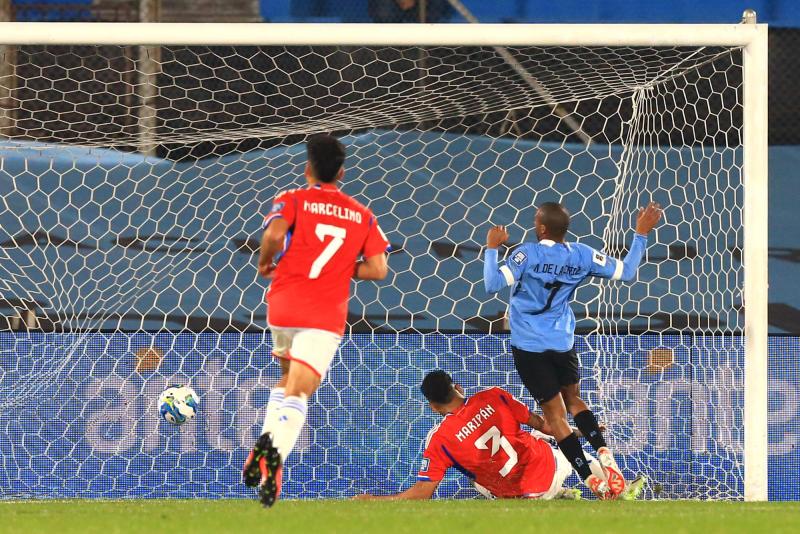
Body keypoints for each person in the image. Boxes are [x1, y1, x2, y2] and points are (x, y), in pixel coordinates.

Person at [243, 134, 390, 507]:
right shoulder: (361, 214)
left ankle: (264, 447)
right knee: (300, 392)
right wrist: (345, 267)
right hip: (324, 313)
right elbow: (378, 269)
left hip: (283, 305)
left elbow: (274, 234)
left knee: (285, 379)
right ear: (341, 172)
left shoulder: (291, 199)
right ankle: (274, 462)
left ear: (307, 168)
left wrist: (264, 262)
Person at [483, 201, 662, 499]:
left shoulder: (525, 253)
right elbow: (627, 272)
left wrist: (491, 247)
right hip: (562, 342)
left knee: (556, 417)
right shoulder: (581, 254)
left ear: (541, 228)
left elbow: (492, 283)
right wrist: (641, 233)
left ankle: (592, 481)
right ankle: (605, 454)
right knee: (574, 399)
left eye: (535, 218)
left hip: (529, 347)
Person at [356, 370, 646, 500]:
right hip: (548, 470)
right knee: (556, 443)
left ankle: (558, 495)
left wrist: (374, 500)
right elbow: (546, 425)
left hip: (516, 498)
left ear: (433, 407)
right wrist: (582, 433)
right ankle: (615, 487)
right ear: (457, 387)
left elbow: (421, 493)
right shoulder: (494, 397)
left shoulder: (439, 440)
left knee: (475, 474)